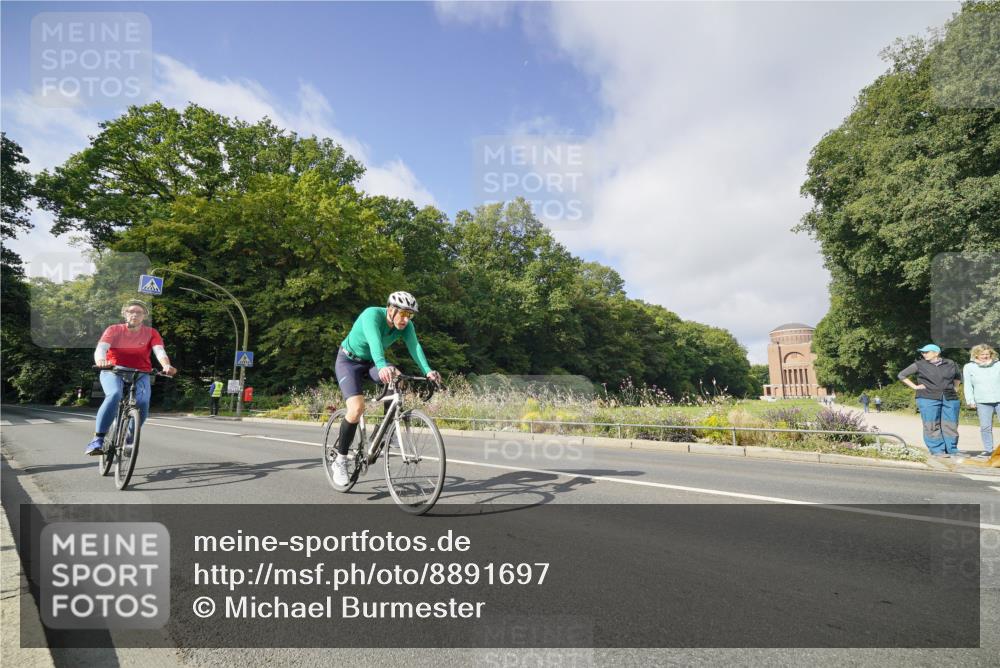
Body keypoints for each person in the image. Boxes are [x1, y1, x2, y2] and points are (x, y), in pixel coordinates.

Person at [330, 291, 441, 485]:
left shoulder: (406, 326)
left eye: (410, 315)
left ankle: (385, 432)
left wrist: (428, 371)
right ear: (391, 309)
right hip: (348, 361)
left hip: (372, 361)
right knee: (356, 409)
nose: (406, 319)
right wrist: (382, 366)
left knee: (398, 378)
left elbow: (415, 347)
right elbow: (374, 342)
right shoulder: (371, 314)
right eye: (403, 314)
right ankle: (340, 460)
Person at [85, 300, 177, 455]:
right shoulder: (114, 329)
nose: (134, 314)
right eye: (131, 311)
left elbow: (159, 351)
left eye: (139, 312)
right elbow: (101, 348)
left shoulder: (151, 333)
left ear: (144, 317)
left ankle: (129, 438)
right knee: (114, 394)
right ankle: (98, 439)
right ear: (124, 314)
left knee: (142, 402)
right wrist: (100, 360)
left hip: (141, 373)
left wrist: (166, 365)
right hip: (113, 370)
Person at [897, 344, 962, 458]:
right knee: (931, 424)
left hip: (949, 397)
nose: (923, 354)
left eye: (926, 352)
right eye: (922, 352)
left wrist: (956, 388)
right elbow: (902, 375)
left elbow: (957, 376)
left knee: (951, 424)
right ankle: (937, 450)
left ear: (936, 353)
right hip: (927, 397)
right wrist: (915, 387)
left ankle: (952, 449)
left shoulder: (950, 363)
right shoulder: (920, 364)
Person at [964, 344, 1000, 459]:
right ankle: (988, 450)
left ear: (991, 354)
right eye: (982, 354)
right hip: (982, 401)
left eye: (987, 354)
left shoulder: (998, 365)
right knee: (985, 427)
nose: (985, 356)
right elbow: (968, 385)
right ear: (976, 355)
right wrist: (970, 400)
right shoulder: (969, 367)